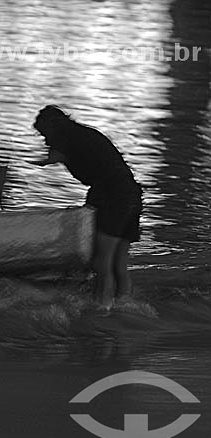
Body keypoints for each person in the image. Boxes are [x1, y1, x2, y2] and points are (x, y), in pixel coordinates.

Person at [32, 105, 143, 309]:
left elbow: (53, 157)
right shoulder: (83, 134)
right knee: (118, 263)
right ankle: (124, 307)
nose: (45, 140)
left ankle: (101, 308)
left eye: (43, 134)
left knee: (102, 262)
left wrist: (29, 160)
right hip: (131, 193)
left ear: (51, 127)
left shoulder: (65, 136)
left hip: (112, 196)